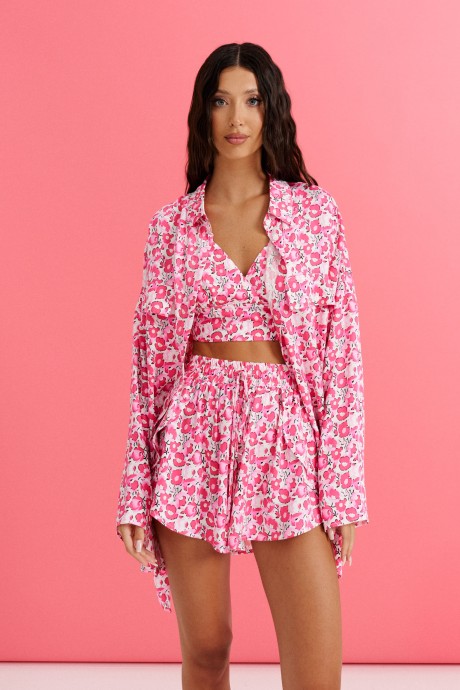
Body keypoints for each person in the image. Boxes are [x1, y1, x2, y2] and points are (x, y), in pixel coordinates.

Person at [116, 42, 369, 690]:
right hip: (192, 436)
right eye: (221, 101)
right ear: (202, 113)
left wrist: (343, 487)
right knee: (206, 648)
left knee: (315, 670)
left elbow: (342, 354)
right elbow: (149, 369)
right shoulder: (171, 229)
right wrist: (135, 489)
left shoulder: (314, 216)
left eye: (252, 101)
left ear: (271, 110)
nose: (237, 118)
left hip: (285, 433)